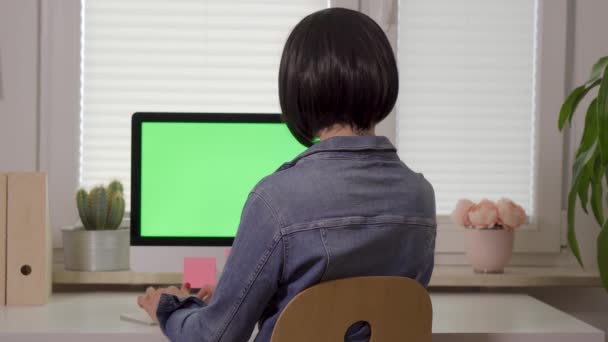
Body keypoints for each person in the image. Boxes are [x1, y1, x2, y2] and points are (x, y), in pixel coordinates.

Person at [137, 7, 436, 342]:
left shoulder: (276, 201)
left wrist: (169, 307)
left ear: (299, 89)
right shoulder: (420, 197)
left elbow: (215, 336)